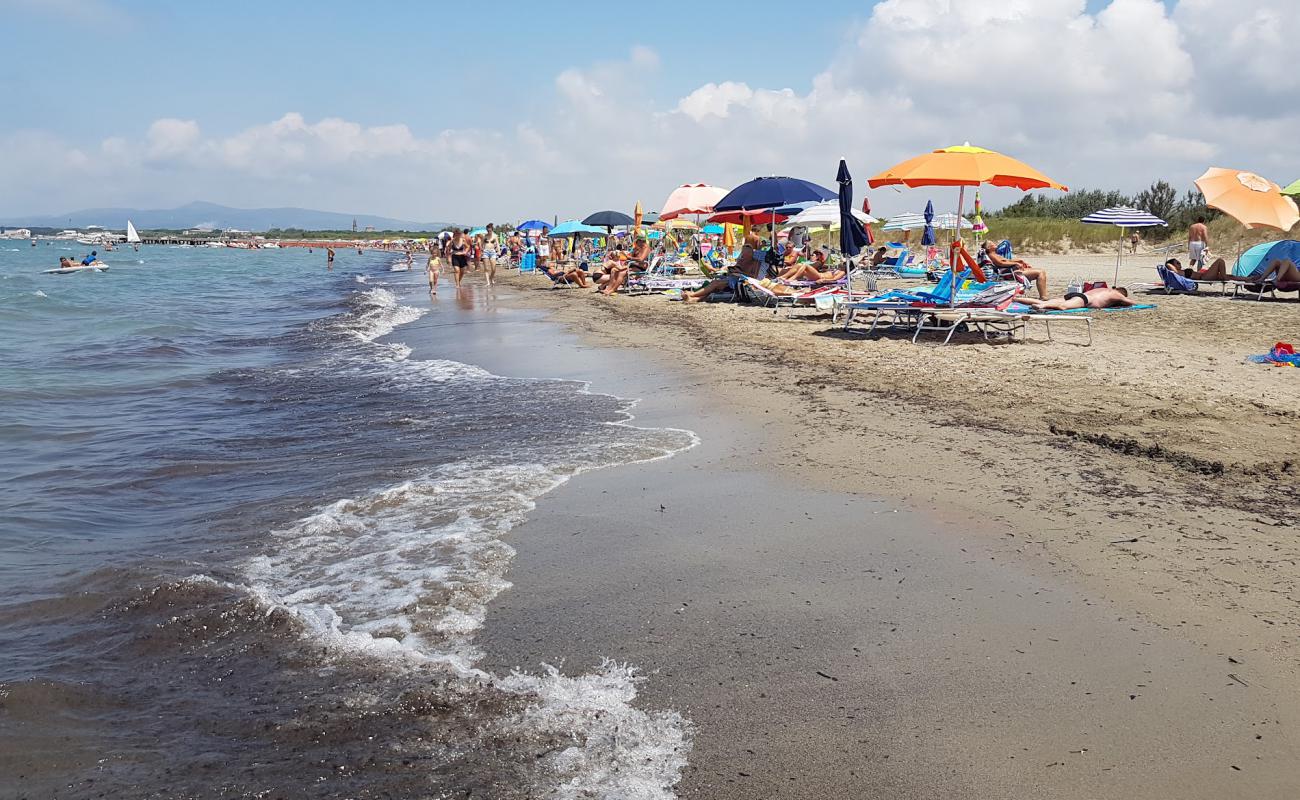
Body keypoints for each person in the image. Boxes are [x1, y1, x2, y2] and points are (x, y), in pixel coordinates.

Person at [682, 244, 764, 303]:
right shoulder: (742, 260)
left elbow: (754, 277)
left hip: (741, 282)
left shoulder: (756, 263)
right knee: (714, 286)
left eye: (744, 254)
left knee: (715, 284)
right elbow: (736, 268)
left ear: (750, 254)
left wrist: (741, 273)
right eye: (742, 254)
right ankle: (694, 299)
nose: (742, 256)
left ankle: (693, 294)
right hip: (732, 278)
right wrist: (731, 270)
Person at [978, 241, 1048, 299]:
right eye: (992, 244)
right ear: (988, 248)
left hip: (1011, 270)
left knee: (1040, 271)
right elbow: (1001, 263)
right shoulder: (991, 255)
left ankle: (1043, 296)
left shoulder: (995, 254)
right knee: (1040, 272)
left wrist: (1020, 261)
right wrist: (1016, 263)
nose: (994, 243)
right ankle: (1043, 297)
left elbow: (1006, 261)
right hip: (1009, 273)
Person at [1017, 286, 1135, 311]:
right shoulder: (1117, 294)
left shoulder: (1104, 289)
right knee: (1063, 307)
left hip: (1079, 295)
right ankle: (1041, 307)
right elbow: (1131, 303)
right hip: (1085, 299)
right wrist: (1121, 300)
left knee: (1046, 301)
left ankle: (1016, 299)